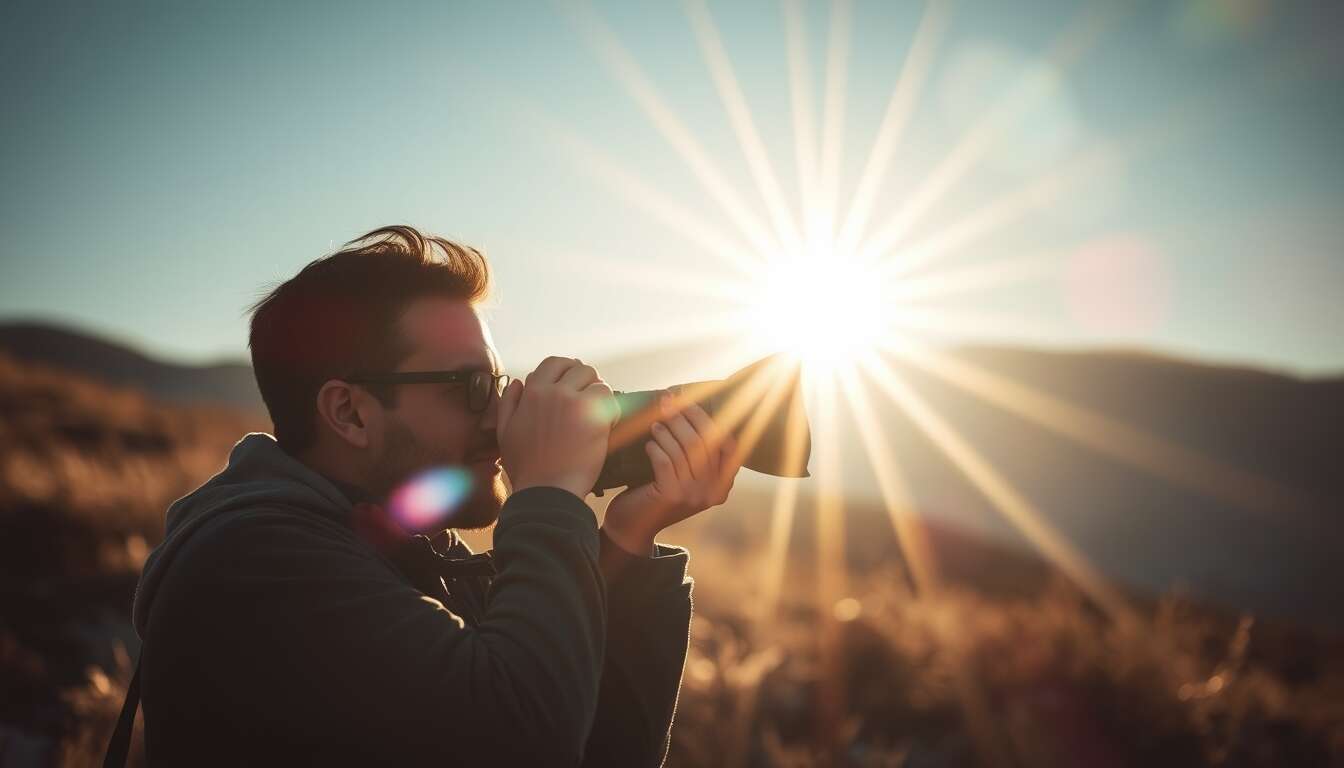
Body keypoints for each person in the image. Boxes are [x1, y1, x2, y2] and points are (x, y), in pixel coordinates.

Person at [121, 226, 743, 766]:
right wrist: (551, 495)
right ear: (350, 413)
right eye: (470, 385)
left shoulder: (412, 554)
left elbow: (604, 754)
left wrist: (628, 542)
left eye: (496, 381)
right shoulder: (252, 565)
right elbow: (524, 745)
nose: (499, 412)